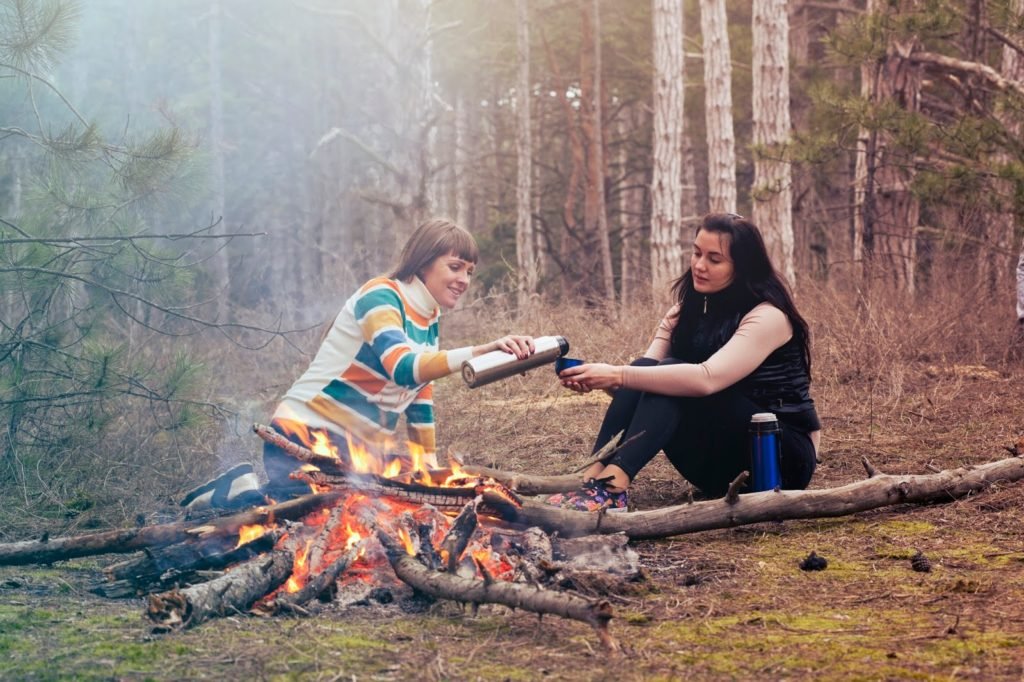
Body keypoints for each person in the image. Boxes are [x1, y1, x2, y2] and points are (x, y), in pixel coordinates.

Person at [183, 218, 533, 510]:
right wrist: (479, 351)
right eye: (455, 267)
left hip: (354, 454)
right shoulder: (380, 296)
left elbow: (420, 393)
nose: (464, 280)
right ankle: (235, 490)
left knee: (382, 509)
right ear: (424, 262)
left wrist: (429, 467)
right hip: (303, 436)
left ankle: (250, 491)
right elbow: (404, 368)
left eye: (470, 272)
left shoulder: (429, 317)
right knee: (310, 514)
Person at [548, 213, 820, 512]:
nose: (699, 266)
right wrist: (600, 380)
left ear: (743, 268)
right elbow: (642, 384)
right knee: (644, 368)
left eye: (714, 259)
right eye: (696, 253)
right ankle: (589, 481)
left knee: (662, 374)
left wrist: (616, 375)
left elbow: (706, 379)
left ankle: (613, 489)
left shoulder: (768, 316)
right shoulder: (681, 313)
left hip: (778, 461)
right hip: (718, 464)